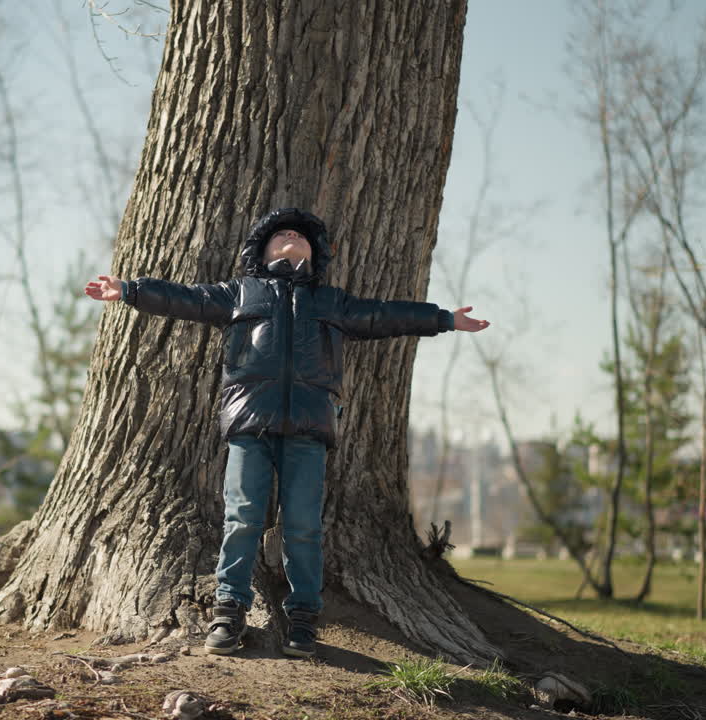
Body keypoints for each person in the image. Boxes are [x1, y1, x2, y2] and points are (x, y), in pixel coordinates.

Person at [84, 207, 489, 658]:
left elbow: (385, 316)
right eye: (280, 235)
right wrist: (130, 290)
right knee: (242, 518)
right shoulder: (241, 293)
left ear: (316, 254)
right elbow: (187, 298)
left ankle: (302, 619)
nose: (290, 236)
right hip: (248, 424)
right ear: (262, 251)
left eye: (300, 235)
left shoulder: (332, 302)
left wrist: (445, 319)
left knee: (302, 526)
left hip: (309, 428)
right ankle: (229, 611)